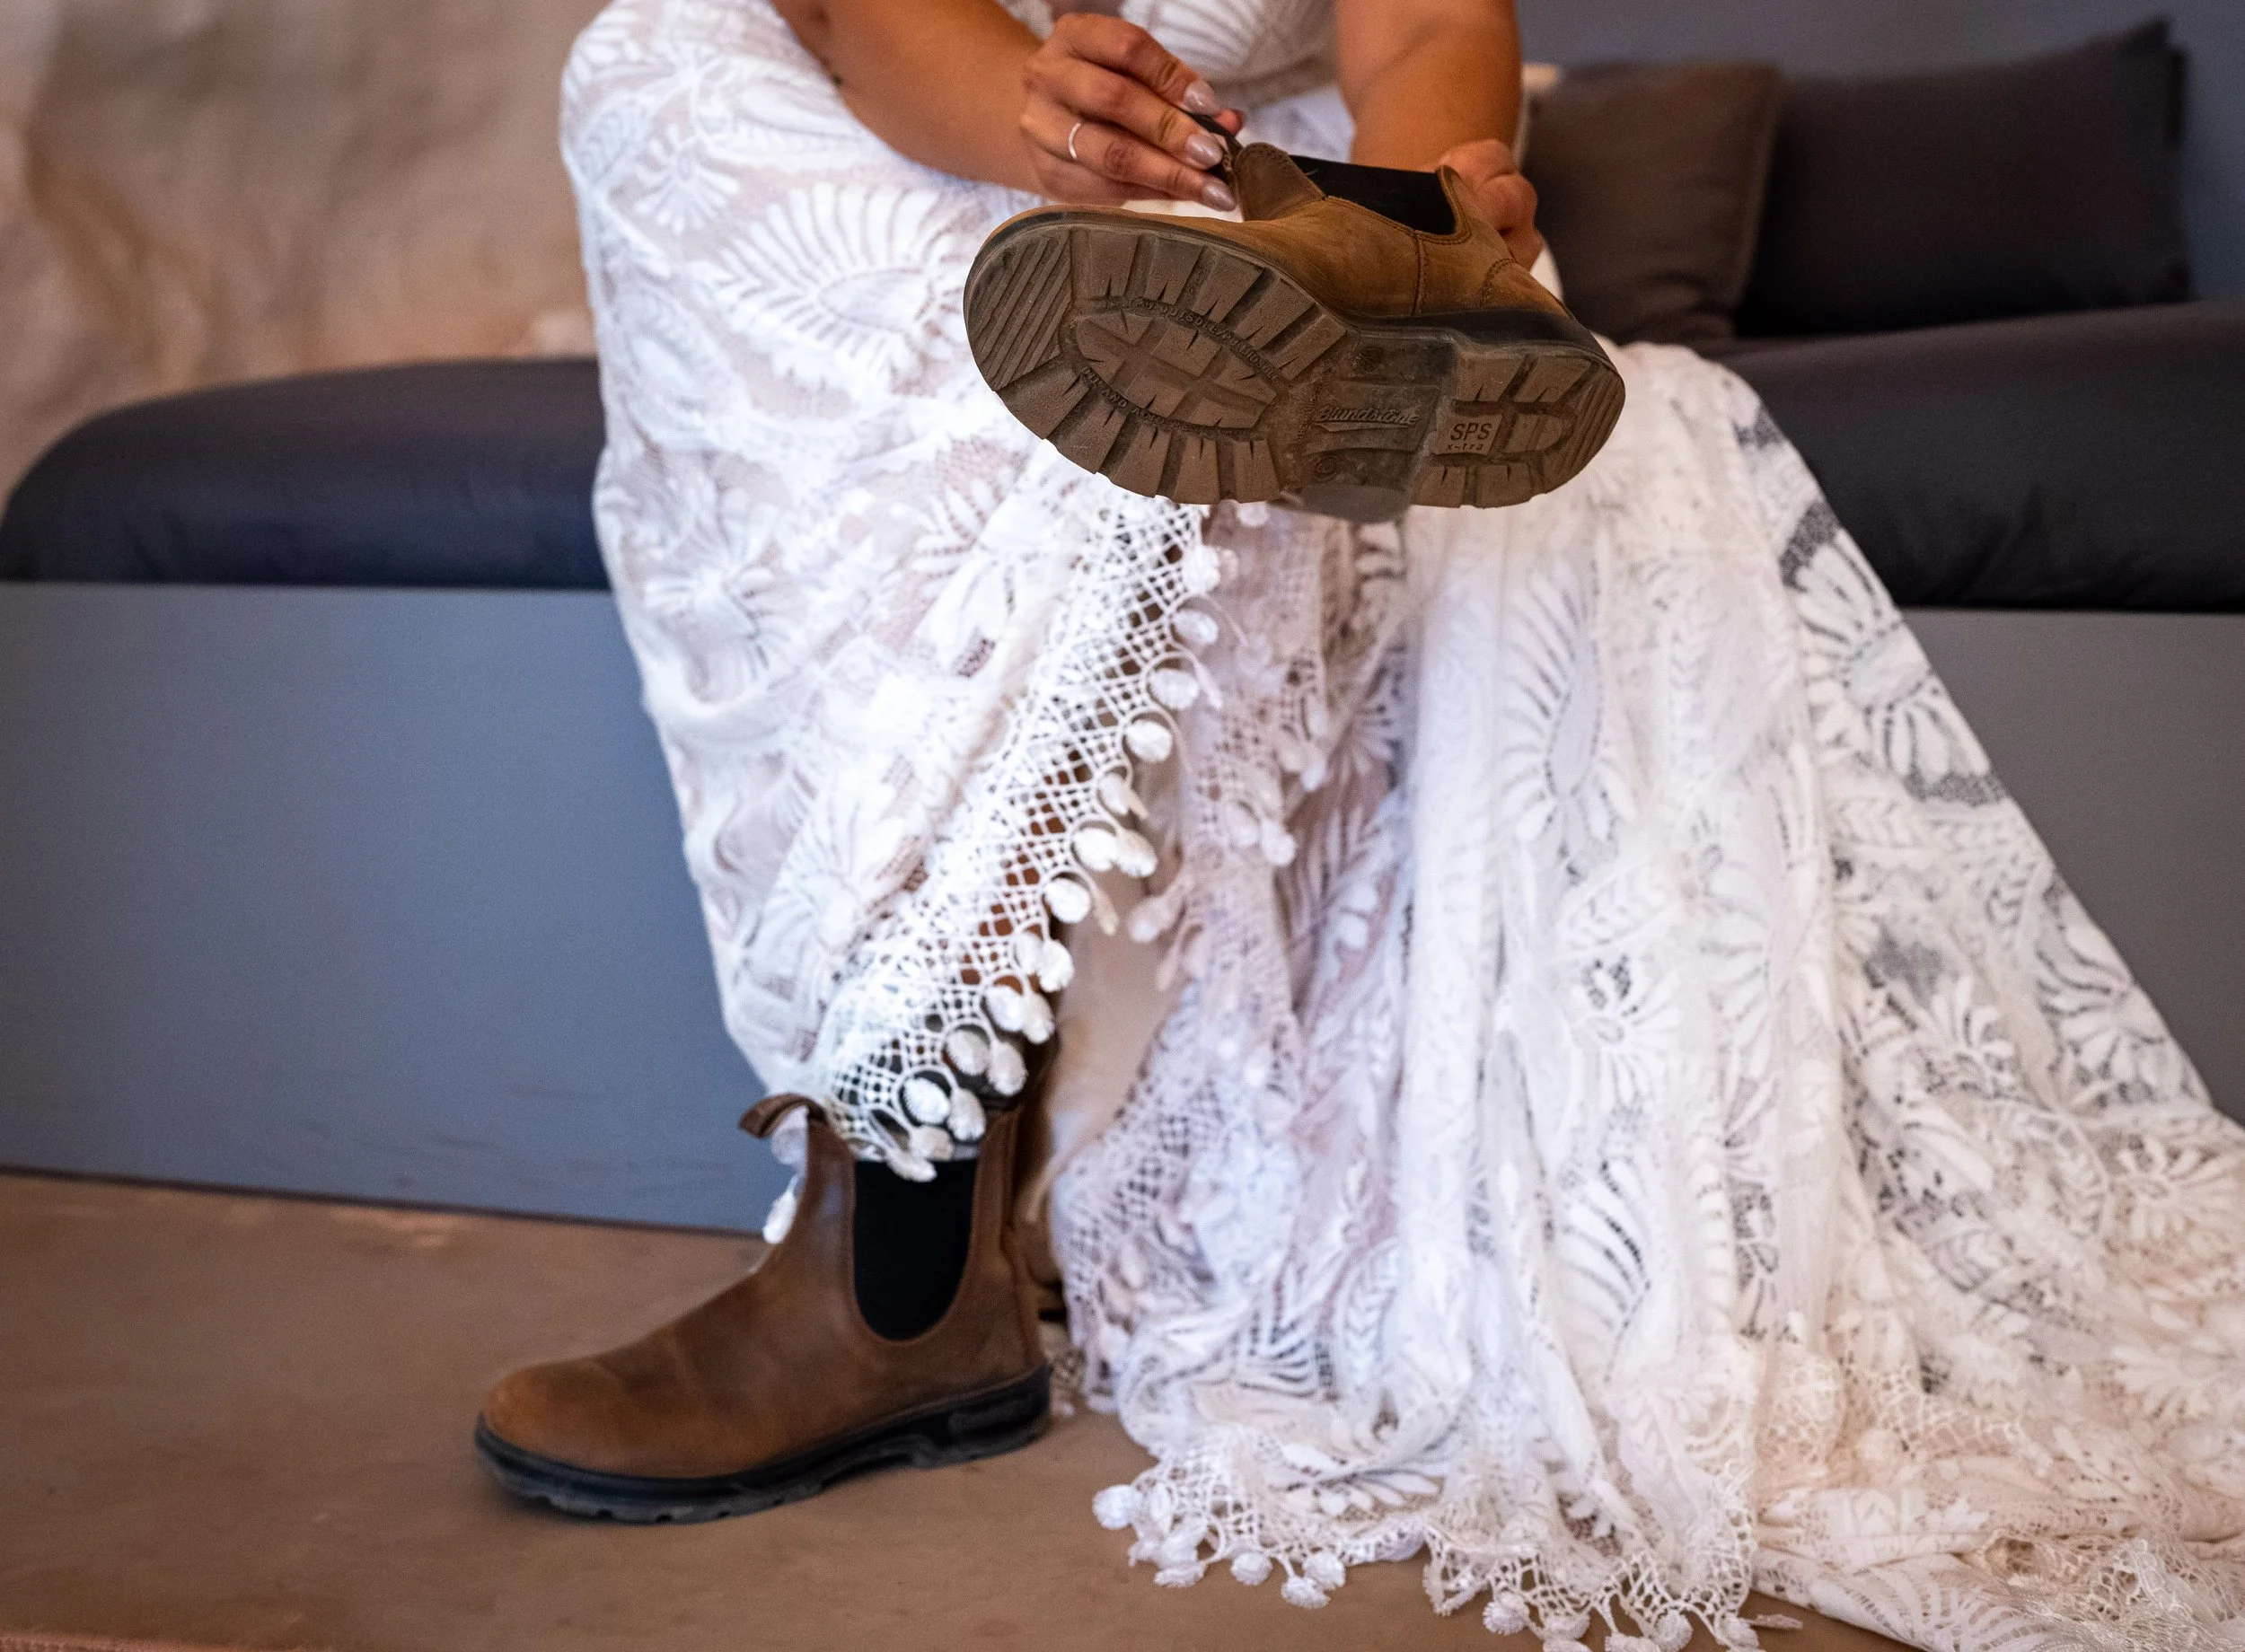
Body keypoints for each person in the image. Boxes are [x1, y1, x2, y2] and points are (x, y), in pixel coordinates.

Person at [475, 1, 2245, 1646]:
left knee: (1194, 293)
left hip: (1253, 195)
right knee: (658, 54)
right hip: (928, 119)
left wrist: (1442, 193)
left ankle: (900, 1270)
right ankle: (901, 1204)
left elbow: (1418, 14)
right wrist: (1029, 113)